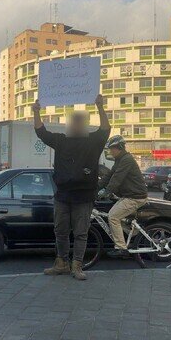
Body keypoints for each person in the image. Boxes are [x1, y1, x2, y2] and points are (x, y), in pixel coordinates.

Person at [33, 95, 111, 280]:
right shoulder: (61, 140)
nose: (76, 125)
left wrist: (100, 107)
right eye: (73, 121)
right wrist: (36, 111)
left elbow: (106, 129)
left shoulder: (93, 141)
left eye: (79, 121)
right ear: (69, 124)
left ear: (84, 124)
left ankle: (77, 265)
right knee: (60, 230)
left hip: (84, 197)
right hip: (62, 195)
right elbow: (41, 132)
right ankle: (61, 264)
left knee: (81, 233)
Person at [99, 135, 148, 258]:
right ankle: (134, 231)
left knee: (113, 216)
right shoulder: (119, 160)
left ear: (119, 147)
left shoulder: (126, 159)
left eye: (112, 148)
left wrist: (106, 192)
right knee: (116, 216)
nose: (110, 151)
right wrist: (95, 189)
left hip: (136, 197)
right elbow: (108, 176)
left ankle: (121, 248)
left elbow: (117, 179)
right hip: (129, 195)